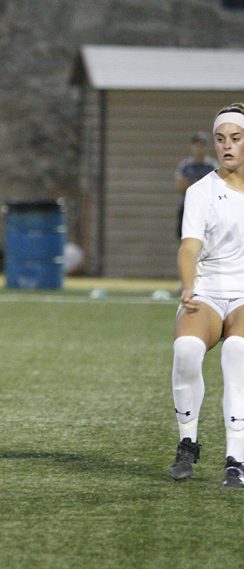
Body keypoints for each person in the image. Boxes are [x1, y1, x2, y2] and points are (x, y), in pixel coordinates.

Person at [169, 102, 244, 488]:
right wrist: (187, 286)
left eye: (235, 138)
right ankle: (187, 445)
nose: (226, 146)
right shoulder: (201, 191)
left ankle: (237, 458)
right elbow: (189, 247)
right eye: (220, 139)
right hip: (209, 290)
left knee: (237, 352)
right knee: (185, 351)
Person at [174, 131, 219, 238]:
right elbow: (180, 185)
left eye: (202, 145)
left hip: (207, 209)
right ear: (192, 146)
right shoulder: (185, 166)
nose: (199, 148)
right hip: (188, 208)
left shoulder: (212, 166)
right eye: (197, 145)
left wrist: (192, 183)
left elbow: (216, 187)